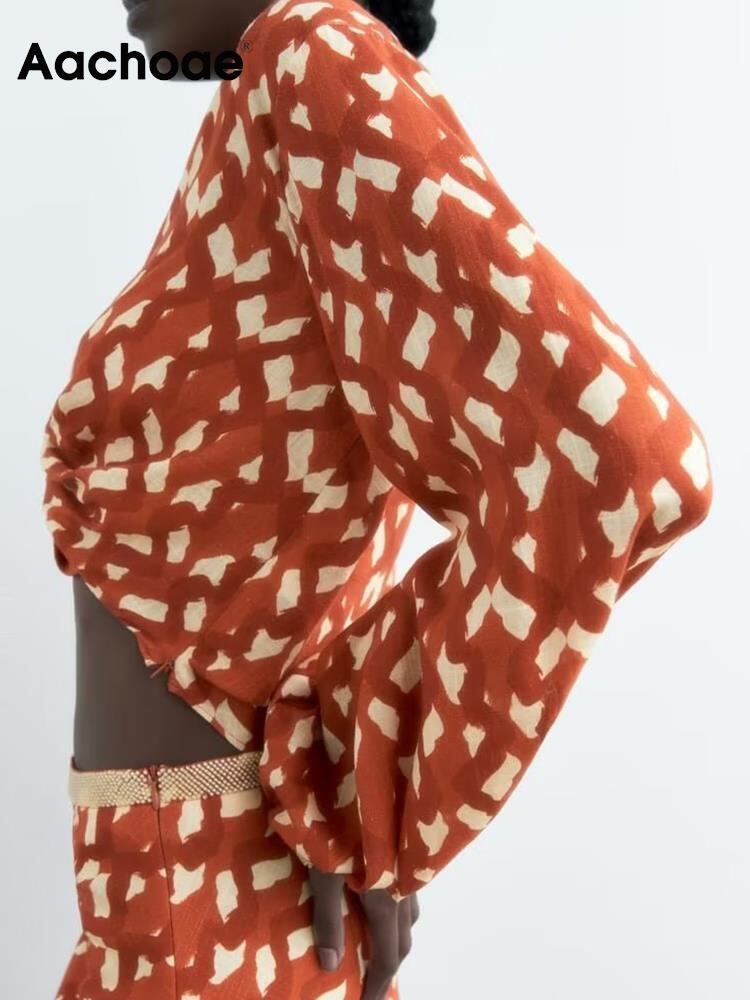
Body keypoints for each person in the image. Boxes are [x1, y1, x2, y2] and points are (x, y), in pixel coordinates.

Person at [39, 0, 713, 997]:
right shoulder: (265, 103)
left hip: (211, 911)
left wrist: (370, 788)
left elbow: (619, 462)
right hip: (182, 896)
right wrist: (350, 778)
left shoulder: (312, 49)